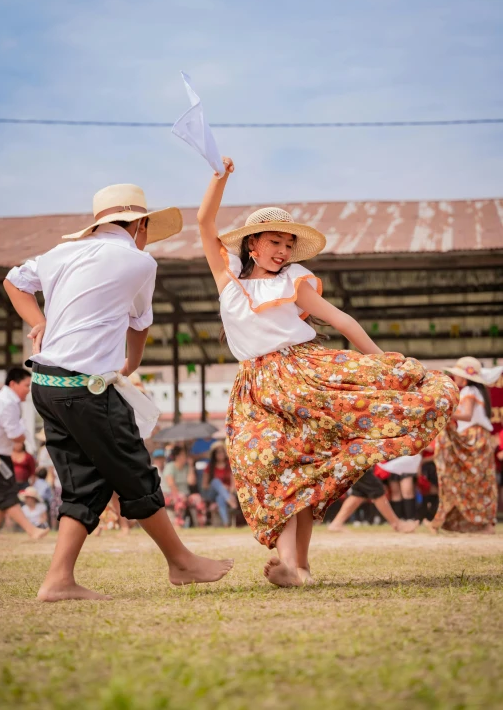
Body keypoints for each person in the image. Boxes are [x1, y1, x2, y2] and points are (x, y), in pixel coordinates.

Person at [197, 157, 459, 587]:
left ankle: (298, 567)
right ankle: (292, 567)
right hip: (253, 389)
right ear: (252, 245)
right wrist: (219, 178)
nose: (282, 251)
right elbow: (205, 222)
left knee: (301, 470)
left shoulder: (295, 280)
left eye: (287, 244)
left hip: (302, 376)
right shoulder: (227, 277)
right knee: (271, 467)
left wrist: (381, 362)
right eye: (274, 242)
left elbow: (342, 322)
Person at [4, 183, 233, 600]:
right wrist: (131, 364)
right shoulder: (139, 261)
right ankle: (181, 562)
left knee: (85, 484)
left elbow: (14, 281)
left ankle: (58, 580)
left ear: (99, 222)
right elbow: (140, 322)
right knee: (135, 474)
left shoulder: (58, 254)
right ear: (140, 224)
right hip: (85, 388)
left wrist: (38, 322)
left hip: (47, 386)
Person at [0, 368, 49, 541]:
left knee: (3, 494)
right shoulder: (6, 403)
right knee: (6, 494)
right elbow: (16, 436)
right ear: (13, 384)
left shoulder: (3, 401)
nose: (28, 390)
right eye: (26, 385)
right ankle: (31, 530)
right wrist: (22, 433)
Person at [425, 357, 498, 534]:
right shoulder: (478, 391)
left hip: (472, 438)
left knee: (468, 480)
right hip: (481, 438)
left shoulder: (469, 391)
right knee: (480, 482)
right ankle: (484, 524)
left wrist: (444, 410)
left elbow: (465, 415)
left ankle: (460, 520)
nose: (454, 377)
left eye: (457, 374)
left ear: (464, 378)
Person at [328, 469, 418, 532]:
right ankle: (397, 524)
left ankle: (336, 523)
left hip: (352, 459)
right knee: (376, 489)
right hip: (354, 459)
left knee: (358, 493)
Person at [162, 446, 207, 527]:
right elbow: (171, 485)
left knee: (197, 498)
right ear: (177, 456)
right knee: (180, 498)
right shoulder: (170, 466)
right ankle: (178, 524)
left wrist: (191, 466)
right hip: (169, 495)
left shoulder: (186, 468)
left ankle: (201, 524)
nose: (186, 457)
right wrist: (180, 495)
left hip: (185, 495)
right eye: (183, 455)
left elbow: (191, 482)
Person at [202, 441, 237, 526]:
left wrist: (227, 489)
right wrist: (220, 487)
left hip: (226, 493)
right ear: (214, 454)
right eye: (218, 452)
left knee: (220, 498)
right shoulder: (209, 467)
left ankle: (226, 524)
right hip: (211, 494)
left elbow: (233, 484)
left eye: (222, 451)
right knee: (215, 481)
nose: (220, 454)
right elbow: (204, 485)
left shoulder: (229, 465)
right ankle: (231, 502)